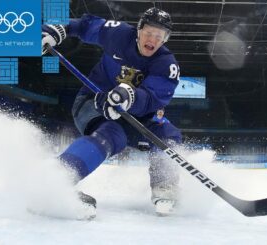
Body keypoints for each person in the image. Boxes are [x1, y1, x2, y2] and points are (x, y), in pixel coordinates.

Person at [42, 7, 182, 217]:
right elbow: (85, 25)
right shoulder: (118, 34)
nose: (153, 39)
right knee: (111, 133)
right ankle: (56, 181)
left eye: (159, 36)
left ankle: (165, 189)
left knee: (169, 136)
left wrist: (129, 97)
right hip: (93, 101)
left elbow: (152, 98)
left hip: (136, 116)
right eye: (149, 32)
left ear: (165, 39)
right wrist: (58, 29)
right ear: (139, 30)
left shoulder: (167, 65)